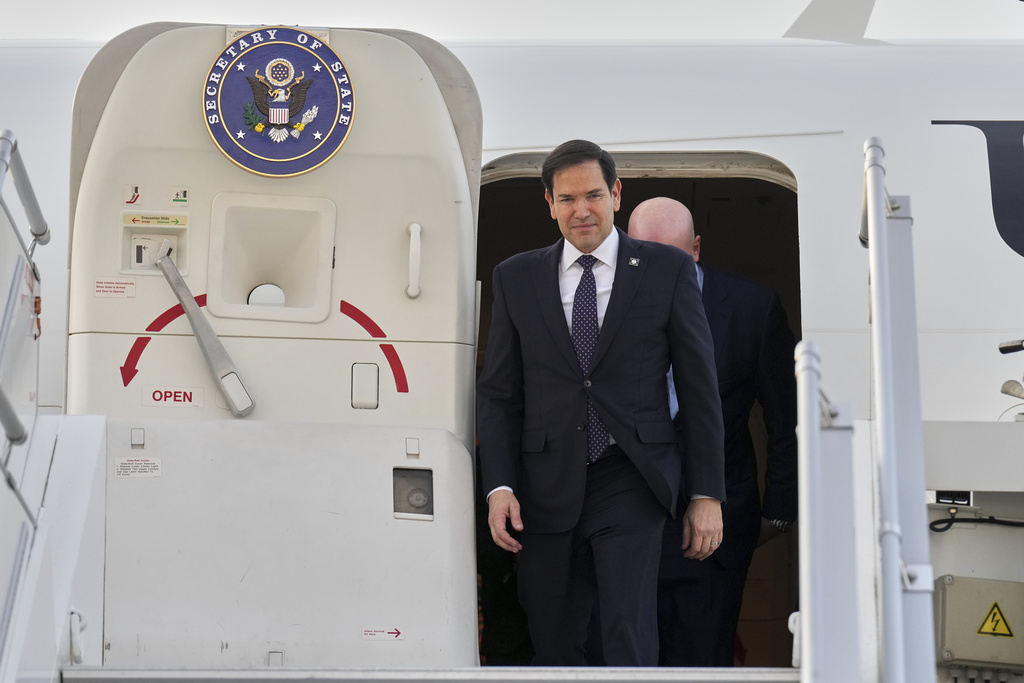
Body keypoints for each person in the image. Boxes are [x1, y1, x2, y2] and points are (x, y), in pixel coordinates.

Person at [476, 140, 726, 667]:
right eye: (567, 199)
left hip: (630, 474)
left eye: (593, 195)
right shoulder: (515, 277)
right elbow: (499, 393)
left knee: (627, 630)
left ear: (615, 194)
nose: (581, 210)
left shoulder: (666, 269)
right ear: (549, 203)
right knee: (552, 634)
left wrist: (707, 493)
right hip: (544, 483)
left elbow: (699, 388)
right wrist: (499, 486)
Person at [627, 197, 798, 667]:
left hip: (719, 526)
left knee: (703, 659)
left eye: (672, 258)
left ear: (696, 248)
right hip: (628, 525)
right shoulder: (601, 303)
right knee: (627, 660)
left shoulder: (752, 308)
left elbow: (785, 417)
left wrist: (777, 513)